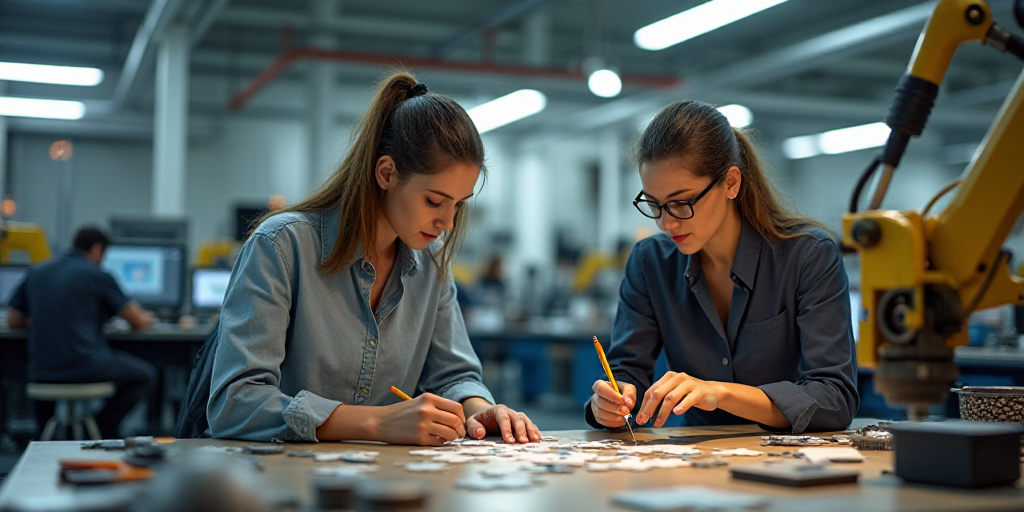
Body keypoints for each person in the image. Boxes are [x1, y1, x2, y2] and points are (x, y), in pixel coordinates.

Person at [207, 72, 541, 445]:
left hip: (384, 482)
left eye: (458, 205)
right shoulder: (281, 247)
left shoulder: (431, 267)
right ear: (386, 173)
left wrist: (479, 410)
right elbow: (235, 403)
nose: (447, 223)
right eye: (434, 201)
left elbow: (453, 376)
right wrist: (376, 423)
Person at [587, 101, 858, 434]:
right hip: (694, 465)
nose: (666, 223)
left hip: (789, 464)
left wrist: (720, 393)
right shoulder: (649, 262)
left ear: (730, 183)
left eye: (682, 202)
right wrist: (611, 402)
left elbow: (834, 398)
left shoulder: (808, 257)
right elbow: (626, 373)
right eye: (654, 205)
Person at [7, 226, 157, 439]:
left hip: (42, 370)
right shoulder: (97, 275)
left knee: (46, 379)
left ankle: (42, 441)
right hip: (85, 365)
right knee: (145, 376)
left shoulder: (37, 271)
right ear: (97, 249)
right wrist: (149, 317)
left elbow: (13, 321)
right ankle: (101, 428)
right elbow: (137, 321)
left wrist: (47, 321)